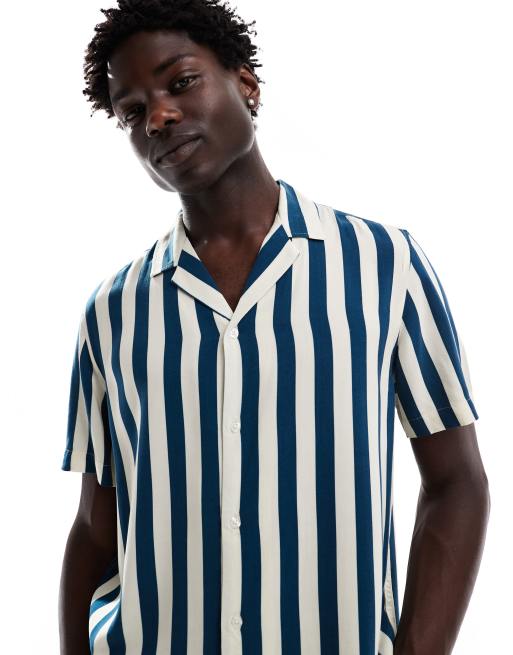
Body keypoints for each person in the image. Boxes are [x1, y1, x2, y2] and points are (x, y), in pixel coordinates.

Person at [58, 1, 490, 654]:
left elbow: (457, 483)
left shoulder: (384, 265)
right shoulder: (111, 313)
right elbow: (96, 530)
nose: (159, 117)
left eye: (181, 82)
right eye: (133, 111)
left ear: (246, 84)